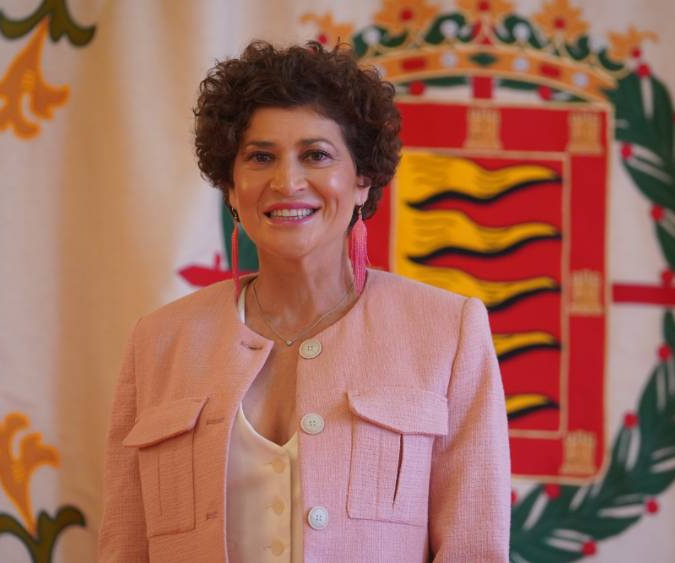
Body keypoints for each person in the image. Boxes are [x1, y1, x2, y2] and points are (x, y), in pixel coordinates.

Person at [98, 40, 510, 563]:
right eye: (260, 157)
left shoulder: (449, 331)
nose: (287, 182)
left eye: (316, 155)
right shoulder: (158, 342)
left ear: (362, 180)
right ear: (230, 187)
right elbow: (124, 546)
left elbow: (474, 550)